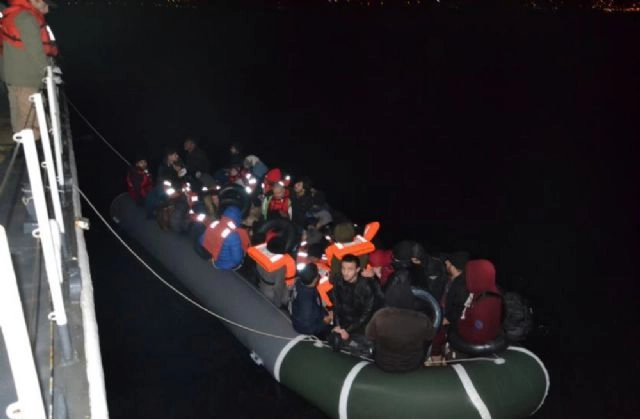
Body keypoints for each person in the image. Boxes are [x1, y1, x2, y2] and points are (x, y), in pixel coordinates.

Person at [1, 0, 58, 137]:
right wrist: (49, 71)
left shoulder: (16, 14)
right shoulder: (27, 19)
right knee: (33, 122)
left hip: (14, 77)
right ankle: (36, 146)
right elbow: (36, 52)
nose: (47, 10)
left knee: (19, 118)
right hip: (26, 79)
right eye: (46, 5)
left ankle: (22, 143)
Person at [366, 279, 436, 372]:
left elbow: (369, 336)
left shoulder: (380, 316)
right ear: (411, 299)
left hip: (384, 363)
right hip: (412, 364)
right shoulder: (422, 319)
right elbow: (430, 336)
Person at [331, 254, 376, 342]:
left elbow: (366, 314)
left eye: (350, 269)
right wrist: (337, 326)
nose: (345, 272)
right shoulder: (338, 280)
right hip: (343, 321)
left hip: (360, 324)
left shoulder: (366, 287)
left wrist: (347, 330)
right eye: (343, 268)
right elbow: (336, 306)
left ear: (357, 270)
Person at [199, 205, 250, 270]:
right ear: (238, 219)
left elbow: (201, 240)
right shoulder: (234, 236)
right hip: (225, 265)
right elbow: (237, 259)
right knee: (241, 254)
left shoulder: (215, 223)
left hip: (213, 258)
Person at [290, 263, 332, 337]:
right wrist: (325, 322)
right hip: (305, 326)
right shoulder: (307, 304)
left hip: (301, 312)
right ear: (315, 279)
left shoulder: (299, 282)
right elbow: (307, 328)